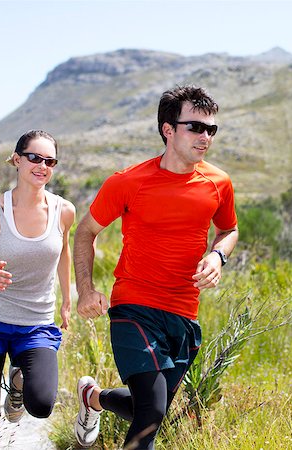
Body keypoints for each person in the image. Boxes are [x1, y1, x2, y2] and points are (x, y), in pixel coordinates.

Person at [73, 85, 238, 449]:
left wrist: (218, 255)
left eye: (212, 129)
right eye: (195, 127)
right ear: (168, 129)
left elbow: (228, 229)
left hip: (184, 312)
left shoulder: (218, 182)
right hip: (134, 305)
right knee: (150, 414)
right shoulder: (128, 181)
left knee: (150, 409)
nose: (205, 136)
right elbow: (85, 232)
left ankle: (92, 398)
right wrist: (86, 289)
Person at [0, 130, 75, 447]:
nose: (42, 166)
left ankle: (20, 380)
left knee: (42, 404)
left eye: (49, 160)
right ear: (16, 159)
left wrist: (66, 300)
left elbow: (64, 252)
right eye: (34, 158)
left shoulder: (64, 210)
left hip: (35, 323)